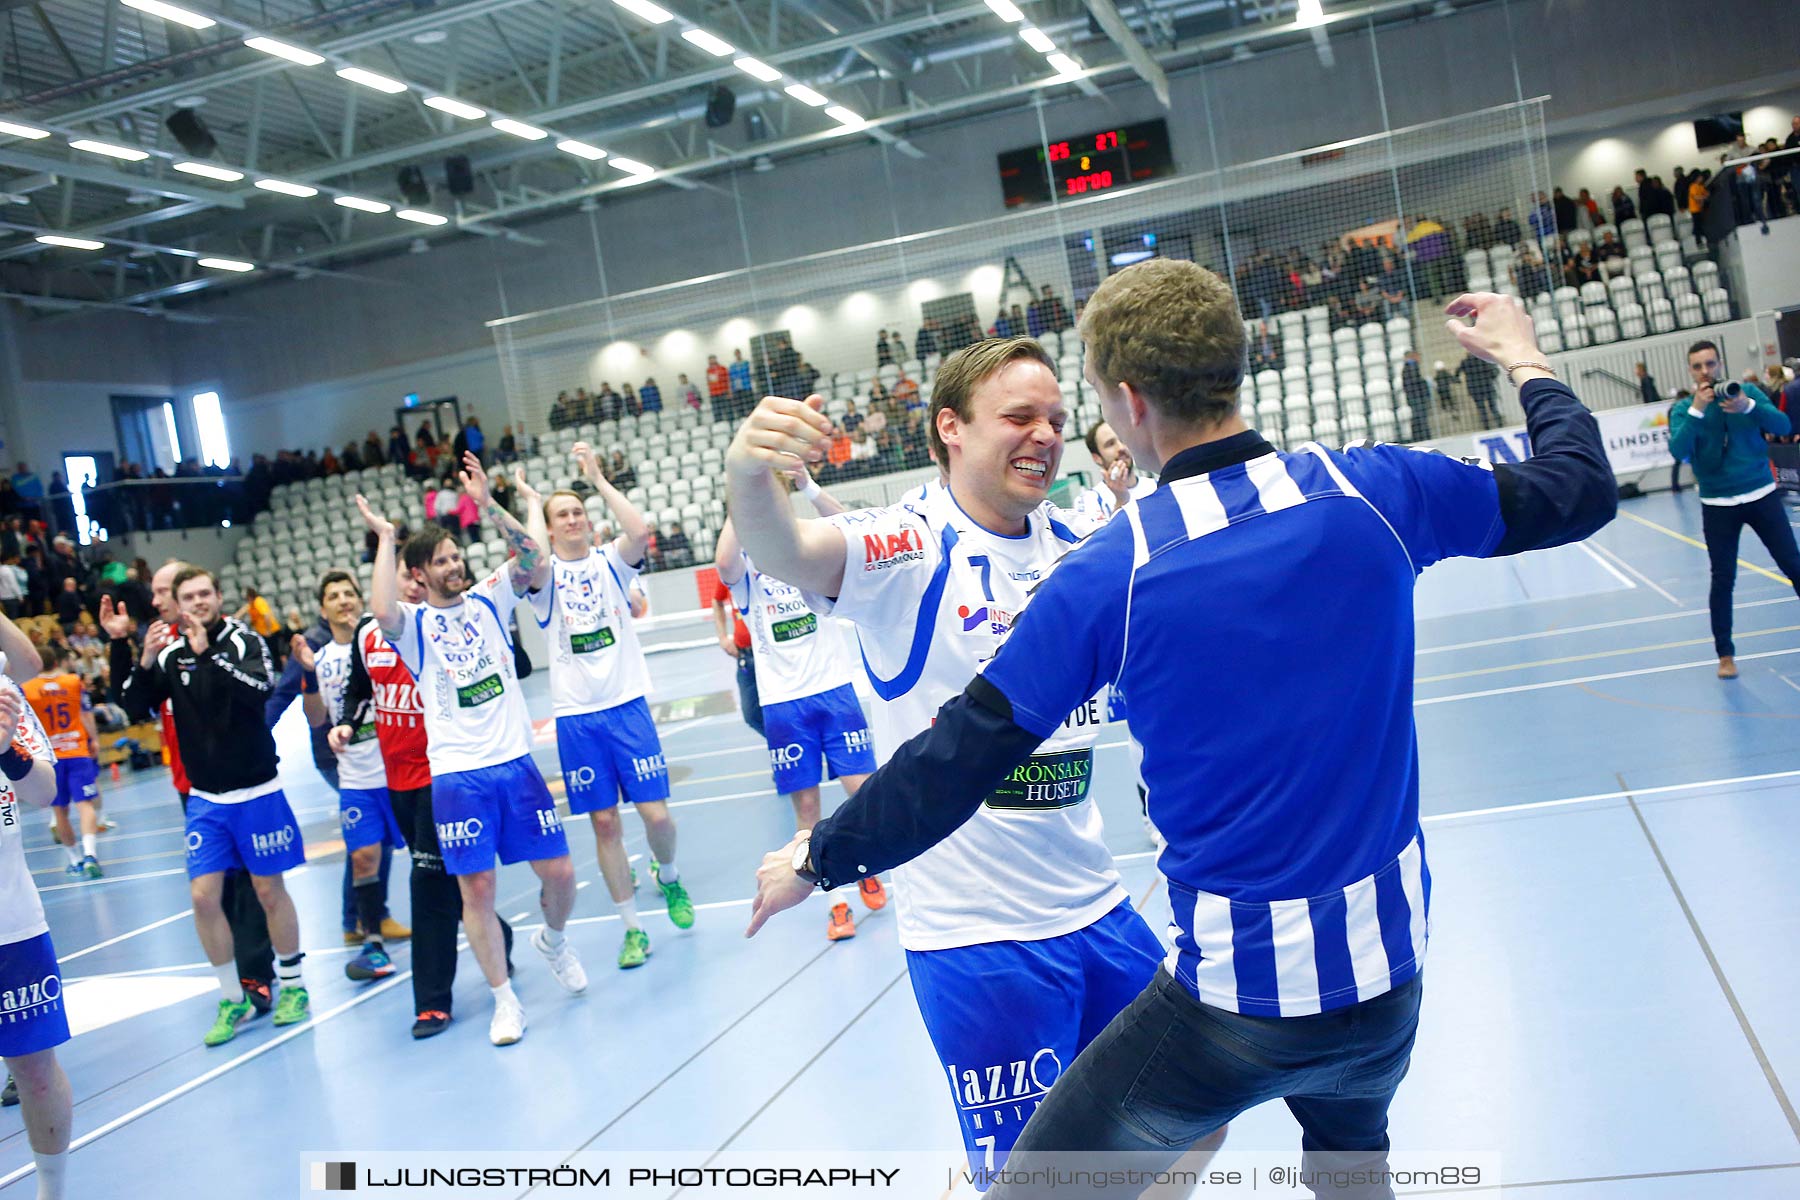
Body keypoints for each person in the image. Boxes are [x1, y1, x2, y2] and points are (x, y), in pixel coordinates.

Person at [743, 266, 1617, 1198]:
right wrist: (1522, 358)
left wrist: (820, 856)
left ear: (1126, 402)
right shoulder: (1373, 489)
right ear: (1235, 368)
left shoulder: (1115, 567)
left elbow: (960, 757)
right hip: (1389, 980)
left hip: (1233, 1011)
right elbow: (1578, 487)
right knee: (1352, 1168)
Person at [725, 337, 1156, 1181]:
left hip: (1100, 907)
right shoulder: (910, 547)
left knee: (1181, 1125)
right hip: (982, 941)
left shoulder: (1077, 536)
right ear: (950, 427)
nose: (1044, 436)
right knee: (1033, 1180)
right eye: (1020, 417)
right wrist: (748, 473)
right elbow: (787, 551)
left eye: (1058, 420)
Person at [361, 453, 587, 1046]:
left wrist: (488, 505)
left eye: (457, 556)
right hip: (458, 776)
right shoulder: (411, 625)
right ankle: (504, 1000)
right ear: (419, 574)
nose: (455, 565)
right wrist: (386, 539)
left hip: (515, 764)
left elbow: (533, 561)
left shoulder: (489, 598)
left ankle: (554, 940)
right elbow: (381, 608)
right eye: (442, 561)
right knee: (476, 891)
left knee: (560, 873)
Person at [117, 566, 311, 1046]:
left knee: (268, 891)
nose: (199, 601)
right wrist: (137, 654)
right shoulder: (170, 655)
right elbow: (131, 705)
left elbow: (256, 693)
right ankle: (231, 996)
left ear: (219, 597)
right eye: (189, 596)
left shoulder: (244, 642)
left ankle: (293, 984)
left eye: (206, 593)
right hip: (206, 799)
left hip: (257, 791)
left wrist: (207, 657)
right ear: (178, 604)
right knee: (203, 896)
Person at [521, 444, 694, 971]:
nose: (572, 519)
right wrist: (530, 499)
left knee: (657, 816)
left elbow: (640, 532)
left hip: (627, 709)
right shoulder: (544, 580)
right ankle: (632, 929)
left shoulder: (611, 565)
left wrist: (595, 478)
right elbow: (528, 555)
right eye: (561, 515)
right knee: (604, 824)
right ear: (550, 529)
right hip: (577, 719)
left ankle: (667, 877)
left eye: (578, 511)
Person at [336, 552, 514, 1038]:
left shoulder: (439, 625)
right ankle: (503, 941)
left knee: (427, 883)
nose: (416, 585)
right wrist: (347, 724)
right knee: (451, 881)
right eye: (406, 576)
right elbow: (358, 689)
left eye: (421, 577)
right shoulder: (369, 633)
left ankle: (432, 1002)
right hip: (398, 781)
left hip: (445, 774)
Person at [716, 470, 885, 941]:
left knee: (864, 790)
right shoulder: (748, 567)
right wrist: (742, 489)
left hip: (833, 689)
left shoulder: (812, 543)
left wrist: (807, 486)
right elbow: (722, 560)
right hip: (783, 704)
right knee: (806, 809)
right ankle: (837, 902)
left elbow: (861, 528)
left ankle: (865, 860)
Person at [292, 571, 405, 983]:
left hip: (400, 769)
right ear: (323, 610)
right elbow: (316, 718)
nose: (342, 601)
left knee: (431, 855)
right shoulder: (318, 660)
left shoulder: (384, 644)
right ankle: (371, 940)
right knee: (363, 857)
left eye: (348, 593)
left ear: (361, 600)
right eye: (333, 596)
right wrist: (307, 674)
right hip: (356, 777)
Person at [1667, 340, 1800, 680]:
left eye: (1710, 364)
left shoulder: (1748, 393)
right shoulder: (1684, 409)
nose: (1705, 372)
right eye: (1697, 367)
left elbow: (1784, 426)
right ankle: (1725, 655)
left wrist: (1747, 406)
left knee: (1794, 565)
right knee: (1723, 579)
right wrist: (1697, 410)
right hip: (1718, 504)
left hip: (1761, 494)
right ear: (1690, 370)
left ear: (1720, 364)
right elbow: (1678, 450)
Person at [0, 675, 76, 1199]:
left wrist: (6, 750)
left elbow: (46, 791)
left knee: (37, 1072)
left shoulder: (3, 693)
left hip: (12, 923)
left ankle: (52, 1192)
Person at [21, 645, 102, 879]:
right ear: (56, 662)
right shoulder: (73, 681)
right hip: (77, 750)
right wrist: (94, 740)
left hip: (49, 757)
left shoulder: (28, 689)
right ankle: (90, 855)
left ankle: (75, 859)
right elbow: (86, 715)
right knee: (85, 804)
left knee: (60, 810)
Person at [710, 571, 762, 738]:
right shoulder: (729, 569)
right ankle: (787, 745)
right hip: (745, 657)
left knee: (783, 709)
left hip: (770, 655)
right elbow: (717, 600)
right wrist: (723, 637)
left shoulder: (763, 568)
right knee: (752, 715)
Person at [1073, 420, 1155, 524]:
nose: (1121, 448)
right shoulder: (1089, 500)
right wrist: (1121, 500)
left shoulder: (1157, 485)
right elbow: (1099, 539)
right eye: (1110, 444)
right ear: (1097, 457)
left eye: (1123, 439)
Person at [1457, 352, 1504, 428]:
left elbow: (1457, 373)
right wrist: (1492, 377)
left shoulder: (1465, 362)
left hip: (1474, 389)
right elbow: (1493, 371)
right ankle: (1499, 423)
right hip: (1487, 386)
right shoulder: (1483, 360)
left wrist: (1458, 380)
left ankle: (1486, 426)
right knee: (1493, 406)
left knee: (1481, 408)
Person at [1401, 349, 1433, 442]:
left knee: (1417, 417)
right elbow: (1415, 382)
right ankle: (1424, 437)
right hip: (1417, 397)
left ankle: (1418, 437)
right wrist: (1425, 383)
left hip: (1413, 397)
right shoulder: (1412, 367)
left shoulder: (1407, 368)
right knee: (1421, 417)